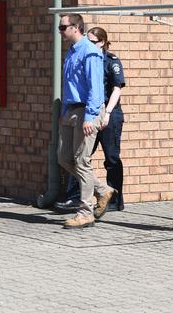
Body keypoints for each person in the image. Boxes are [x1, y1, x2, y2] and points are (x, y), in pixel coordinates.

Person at [55, 27, 126, 214]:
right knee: (77, 157)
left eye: (94, 41)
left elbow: (116, 89)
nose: (90, 44)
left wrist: (108, 113)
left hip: (108, 112)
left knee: (111, 157)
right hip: (88, 112)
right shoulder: (84, 56)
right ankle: (79, 195)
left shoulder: (110, 61)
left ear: (102, 42)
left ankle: (114, 200)